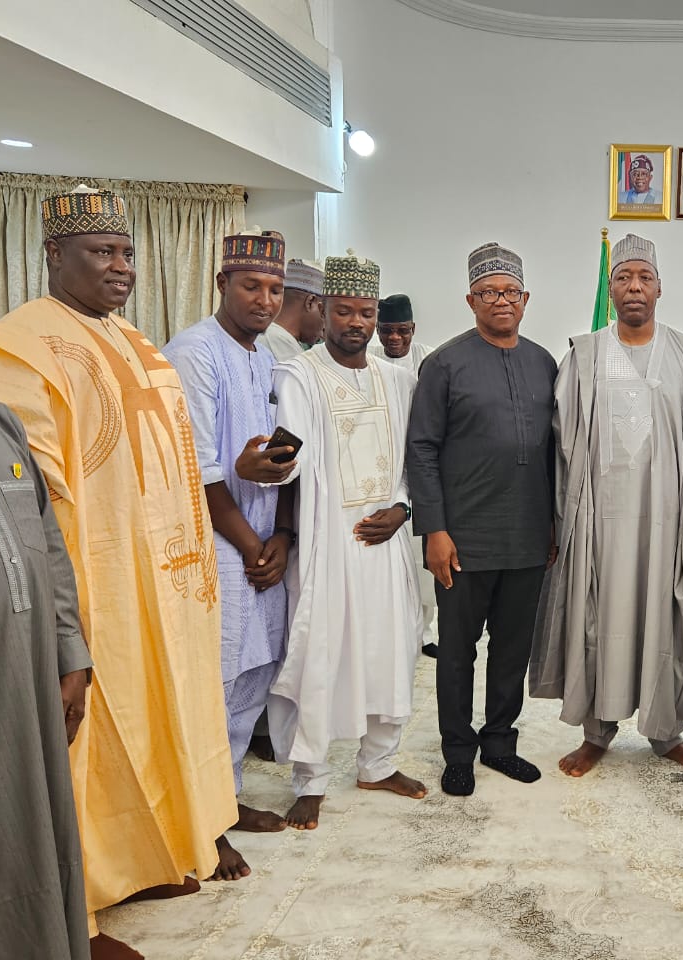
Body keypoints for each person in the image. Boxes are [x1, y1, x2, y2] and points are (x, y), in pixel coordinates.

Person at [0, 186, 237, 960]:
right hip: (93, 585)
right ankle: (82, 898)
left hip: (164, 578)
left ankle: (156, 855)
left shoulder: (137, 340)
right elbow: (32, 493)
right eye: (102, 253)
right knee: (89, 735)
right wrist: (67, 619)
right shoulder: (21, 344)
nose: (121, 267)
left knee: (167, 717)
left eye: (127, 253)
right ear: (53, 254)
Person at [531, 233, 683, 776]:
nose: (634, 287)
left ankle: (667, 733)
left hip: (669, 519)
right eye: (624, 278)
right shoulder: (583, 356)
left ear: (660, 287)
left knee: (665, 614)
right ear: (612, 289)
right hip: (600, 520)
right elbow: (562, 448)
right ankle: (597, 732)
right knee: (598, 615)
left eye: (644, 277)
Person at [258, 252, 427, 829]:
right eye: (346, 311)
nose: (357, 322)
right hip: (329, 541)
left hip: (385, 543)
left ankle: (378, 764)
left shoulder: (400, 381)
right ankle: (310, 778)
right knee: (321, 653)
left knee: (394, 646)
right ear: (322, 311)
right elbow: (290, 454)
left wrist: (403, 509)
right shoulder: (298, 375)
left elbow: (414, 461)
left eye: (366, 313)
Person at [162, 230, 300, 853]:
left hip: (263, 541)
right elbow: (196, 466)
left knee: (254, 674)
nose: (265, 300)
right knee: (214, 681)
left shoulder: (269, 355)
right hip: (214, 543)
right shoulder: (194, 351)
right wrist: (250, 545)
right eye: (251, 286)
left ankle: (228, 796)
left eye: (274, 289)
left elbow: (281, 446)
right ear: (222, 284)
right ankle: (200, 819)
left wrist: (283, 537)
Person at [407, 243, 558, 796]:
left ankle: (499, 742)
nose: (502, 301)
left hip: (526, 535)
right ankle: (457, 750)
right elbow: (421, 449)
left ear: (526, 300)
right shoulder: (444, 363)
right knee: (457, 649)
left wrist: (553, 524)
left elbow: (553, 454)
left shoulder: (544, 363)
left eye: (510, 293)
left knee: (513, 648)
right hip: (463, 536)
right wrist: (435, 530)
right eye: (490, 292)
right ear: (471, 299)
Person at [0, 400, 92, 959]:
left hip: (28, 673)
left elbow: (48, 545)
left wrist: (69, 651)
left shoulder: (1, 423)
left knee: (37, 827)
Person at [371, 292, 438, 658]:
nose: (394, 339)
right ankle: (392, 634)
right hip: (386, 471)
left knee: (423, 563)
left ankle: (425, 633)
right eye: (386, 331)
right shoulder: (366, 361)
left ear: (413, 328)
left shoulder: (430, 359)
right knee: (392, 563)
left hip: (424, 471)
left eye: (402, 331)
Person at [259, 258, 324, 362]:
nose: (323, 330)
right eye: (323, 312)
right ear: (310, 302)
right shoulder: (278, 344)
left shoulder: (271, 336)